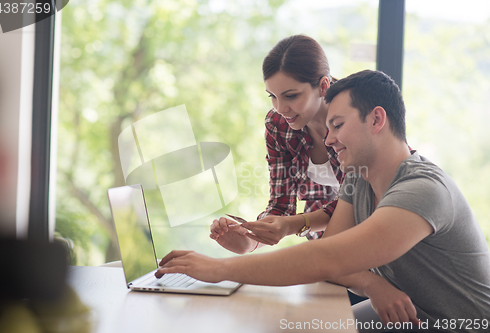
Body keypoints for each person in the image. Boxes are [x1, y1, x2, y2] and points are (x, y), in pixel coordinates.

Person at [157, 70, 490, 332]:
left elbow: (325, 258)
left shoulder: (422, 189)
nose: (328, 140)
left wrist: (218, 269)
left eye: (338, 125)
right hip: (410, 317)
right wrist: (371, 282)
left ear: (376, 120)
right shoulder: (358, 176)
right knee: (286, 325)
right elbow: (333, 259)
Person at [210, 34, 344, 255]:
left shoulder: (356, 116)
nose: (281, 108)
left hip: (378, 240)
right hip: (329, 249)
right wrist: (250, 237)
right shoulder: (278, 125)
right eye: (272, 96)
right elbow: (282, 205)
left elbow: (356, 203)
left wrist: (293, 225)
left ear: (323, 86)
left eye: (291, 96)